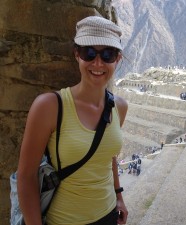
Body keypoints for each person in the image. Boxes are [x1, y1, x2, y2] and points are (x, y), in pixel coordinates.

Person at [17, 16, 128, 225]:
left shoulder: (120, 107)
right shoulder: (49, 107)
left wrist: (119, 196)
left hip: (109, 215)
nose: (97, 63)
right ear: (77, 54)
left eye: (107, 54)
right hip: (64, 219)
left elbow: (107, 156)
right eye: (89, 53)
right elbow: (26, 176)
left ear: (118, 59)